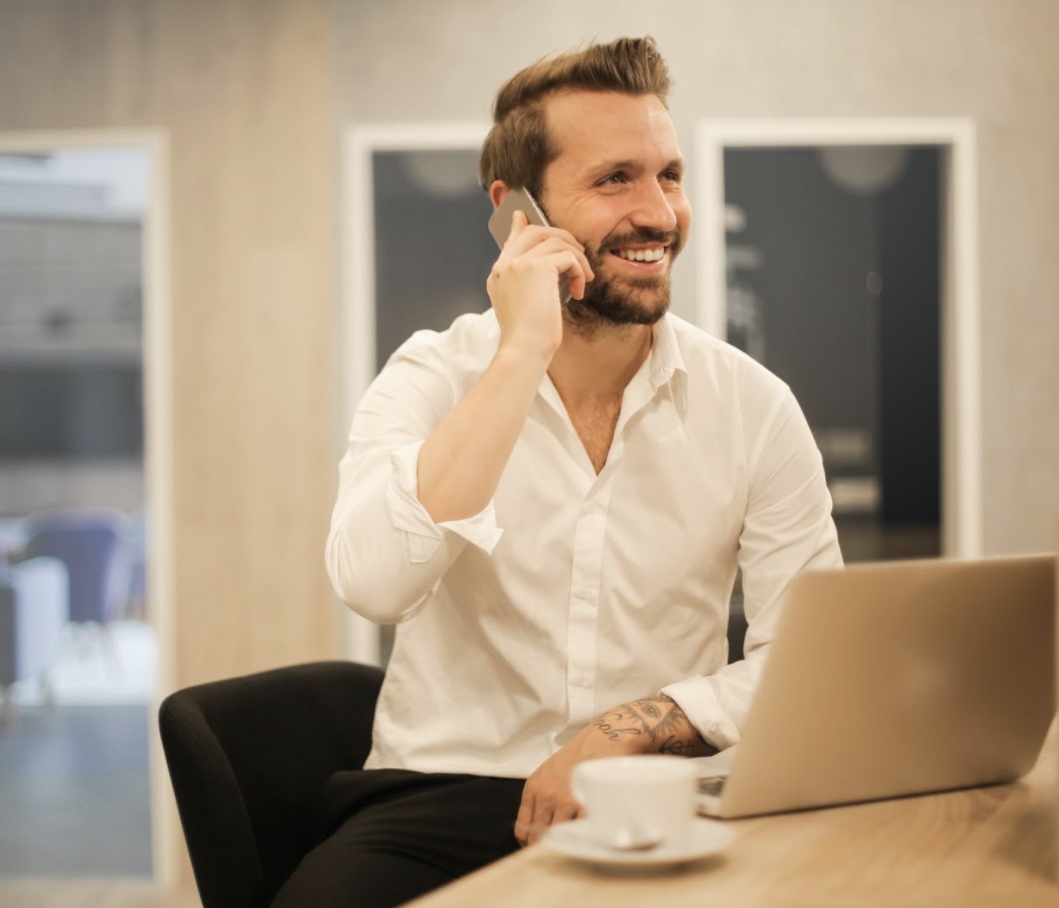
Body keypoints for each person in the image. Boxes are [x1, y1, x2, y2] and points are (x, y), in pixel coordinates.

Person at [283, 35, 842, 908]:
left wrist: (630, 729)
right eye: (615, 179)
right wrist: (522, 353)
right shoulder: (432, 377)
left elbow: (808, 662)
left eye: (669, 175)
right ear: (519, 215)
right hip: (440, 797)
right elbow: (374, 584)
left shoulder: (754, 408)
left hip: (661, 793)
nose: (658, 213)